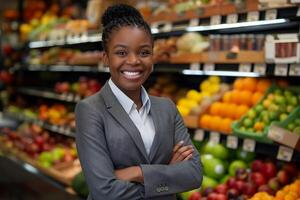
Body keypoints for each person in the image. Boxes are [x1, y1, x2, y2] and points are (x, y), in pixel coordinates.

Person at [75, 4, 202, 200]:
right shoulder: (90, 110)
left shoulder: (166, 107)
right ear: (106, 58)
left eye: (144, 52)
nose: (134, 61)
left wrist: (137, 173)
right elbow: (104, 192)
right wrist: (167, 175)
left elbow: (194, 174)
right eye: (122, 53)